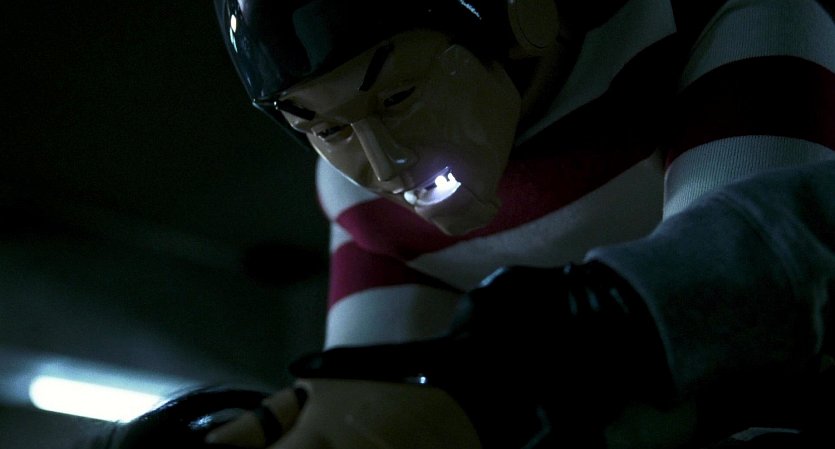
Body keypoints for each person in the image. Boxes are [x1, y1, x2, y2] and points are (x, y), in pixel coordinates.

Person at [94, 0, 835, 448]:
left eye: (397, 95)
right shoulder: (363, 205)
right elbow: (371, 403)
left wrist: (499, 386)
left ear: (521, 15)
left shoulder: (711, 22)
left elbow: (760, 297)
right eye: (326, 128)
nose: (381, 162)